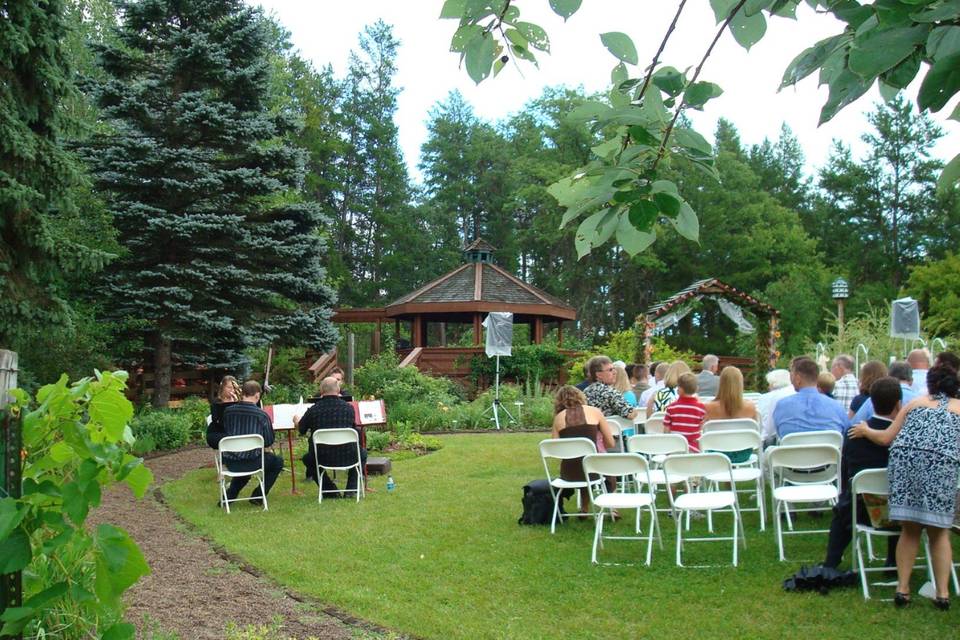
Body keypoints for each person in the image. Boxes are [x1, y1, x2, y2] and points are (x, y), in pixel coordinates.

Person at [849, 360, 960, 609]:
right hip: (940, 467)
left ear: (930, 385)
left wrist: (866, 431)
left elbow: (887, 438)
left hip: (905, 463)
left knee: (910, 530)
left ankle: (903, 589)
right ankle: (942, 594)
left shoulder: (914, 404)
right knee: (939, 533)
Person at [823, 376, 902, 571]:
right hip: (901, 513)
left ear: (871, 402)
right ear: (899, 404)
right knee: (893, 492)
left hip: (862, 512)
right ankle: (892, 560)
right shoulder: (904, 435)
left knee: (844, 506)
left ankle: (831, 562)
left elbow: (846, 474)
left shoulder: (854, 434)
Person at [295, 376, 367, 498]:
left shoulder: (314, 410)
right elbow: (352, 430)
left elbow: (301, 429)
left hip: (321, 457)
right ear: (338, 390)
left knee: (308, 459)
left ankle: (330, 490)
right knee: (362, 453)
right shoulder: (348, 408)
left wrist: (296, 421)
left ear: (321, 391)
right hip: (347, 455)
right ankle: (351, 489)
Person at [551, 386, 616, 512]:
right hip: (595, 467)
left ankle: (584, 507)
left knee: (581, 463)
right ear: (580, 396)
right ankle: (612, 507)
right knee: (602, 466)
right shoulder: (595, 412)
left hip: (570, 472)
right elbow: (611, 442)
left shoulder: (558, 418)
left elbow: (556, 450)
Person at [221, 380, 284, 506]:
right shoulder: (261, 415)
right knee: (277, 461)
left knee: (245, 463)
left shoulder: (228, 412)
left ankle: (229, 496)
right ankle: (258, 495)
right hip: (253, 461)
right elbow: (268, 440)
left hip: (231, 462)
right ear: (257, 395)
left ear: (242, 393)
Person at [773, 357, 848, 439]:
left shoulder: (782, 406)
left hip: (793, 451)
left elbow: (779, 432)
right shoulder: (837, 407)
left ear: (798, 379)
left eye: (791, 376)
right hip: (824, 451)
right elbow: (846, 433)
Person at [850, 361, 918, 426]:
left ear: (888, 377)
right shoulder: (919, 401)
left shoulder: (875, 398)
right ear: (911, 381)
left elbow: (854, 424)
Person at [663, 373, 706, 452]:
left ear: (680, 389)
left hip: (675, 448)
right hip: (695, 449)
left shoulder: (671, 408)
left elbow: (666, 430)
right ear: (696, 389)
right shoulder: (701, 408)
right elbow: (702, 428)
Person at [757, 368, 795, 446]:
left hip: (775, 441)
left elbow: (768, 430)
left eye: (769, 384)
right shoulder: (795, 393)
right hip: (791, 439)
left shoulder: (765, 398)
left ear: (773, 384)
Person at [207, 375, 240, 449]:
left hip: (235, 430)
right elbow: (216, 419)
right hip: (219, 430)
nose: (232, 390)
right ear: (223, 388)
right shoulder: (217, 402)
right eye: (229, 388)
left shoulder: (239, 401)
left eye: (234, 388)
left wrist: (237, 403)